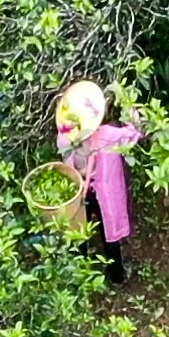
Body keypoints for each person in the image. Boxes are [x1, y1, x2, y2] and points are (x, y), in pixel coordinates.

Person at [54, 80, 141, 285]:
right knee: (109, 236)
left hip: (77, 191)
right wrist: (128, 104)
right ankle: (117, 277)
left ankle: (79, 281)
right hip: (103, 192)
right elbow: (134, 133)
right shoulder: (106, 136)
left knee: (78, 233)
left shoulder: (65, 137)